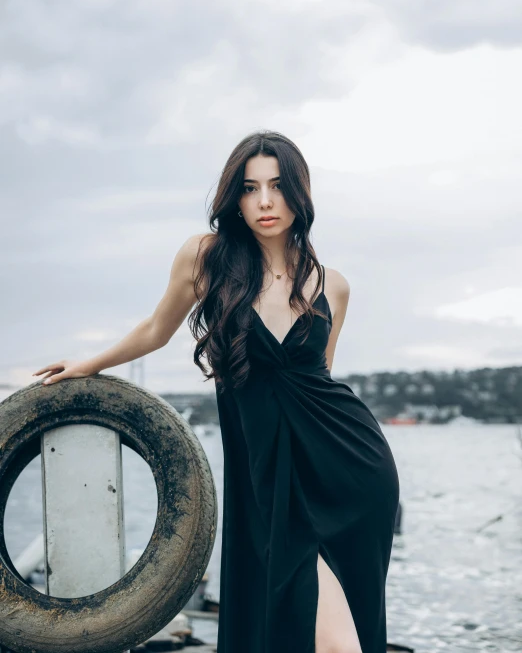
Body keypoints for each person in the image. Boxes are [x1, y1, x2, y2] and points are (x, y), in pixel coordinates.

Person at [33, 131, 400, 653]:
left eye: (277, 186)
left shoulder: (331, 284)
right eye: (251, 189)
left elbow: (320, 380)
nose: (265, 202)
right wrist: (89, 363)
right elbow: (156, 330)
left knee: (341, 638)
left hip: (351, 472)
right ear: (236, 198)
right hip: (268, 474)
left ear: (301, 193)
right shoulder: (207, 258)